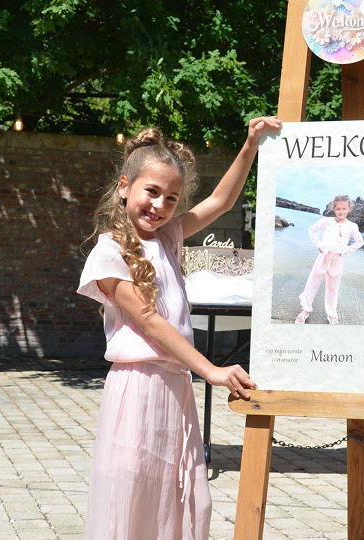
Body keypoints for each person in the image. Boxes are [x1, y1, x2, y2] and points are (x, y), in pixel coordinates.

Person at [77, 116, 281, 539]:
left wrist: (250, 144)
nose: (160, 205)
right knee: (136, 493)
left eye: (171, 198)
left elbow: (221, 202)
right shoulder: (108, 252)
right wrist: (212, 370)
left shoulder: (168, 236)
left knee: (183, 496)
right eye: (151, 191)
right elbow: (150, 322)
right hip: (138, 387)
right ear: (124, 186)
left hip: (175, 387)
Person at [295, 194, 363, 325]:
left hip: (337, 259)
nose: (341, 212)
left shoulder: (352, 226)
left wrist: (346, 250)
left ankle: (331, 314)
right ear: (334, 209)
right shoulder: (326, 221)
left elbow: (359, 241)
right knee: (312, 282)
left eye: (344, 209)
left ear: (349, 209)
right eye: (338, 209)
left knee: (333, 287)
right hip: (323, 256)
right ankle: (305, 310)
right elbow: (312, 230)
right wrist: (319, 245)